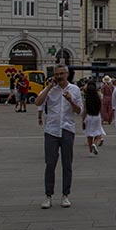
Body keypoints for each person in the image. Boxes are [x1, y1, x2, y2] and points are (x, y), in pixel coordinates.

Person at [36, 64, 82, 208]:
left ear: (67, 74)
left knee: (67, 163)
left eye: (62, 73)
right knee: (50, 163)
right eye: (57, 74)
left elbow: (79, 110)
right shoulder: (50, 89)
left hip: (67, 129)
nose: (60, 76)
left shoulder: (74, 90)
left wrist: (70, 100)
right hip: (51, 130)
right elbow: (38, 102)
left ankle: (65, 195)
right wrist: (49, 87)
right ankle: (48, 195)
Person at [83, 80, 106, 156]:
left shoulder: (87, 98)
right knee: (98, 133)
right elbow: (101, 108)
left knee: (89, 134)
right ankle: (95, 144)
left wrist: (83, 120)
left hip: (89, 116)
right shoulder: (98, 96)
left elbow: (85, 110)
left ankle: (90, 151)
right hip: (97, 116)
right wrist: (102, 117)